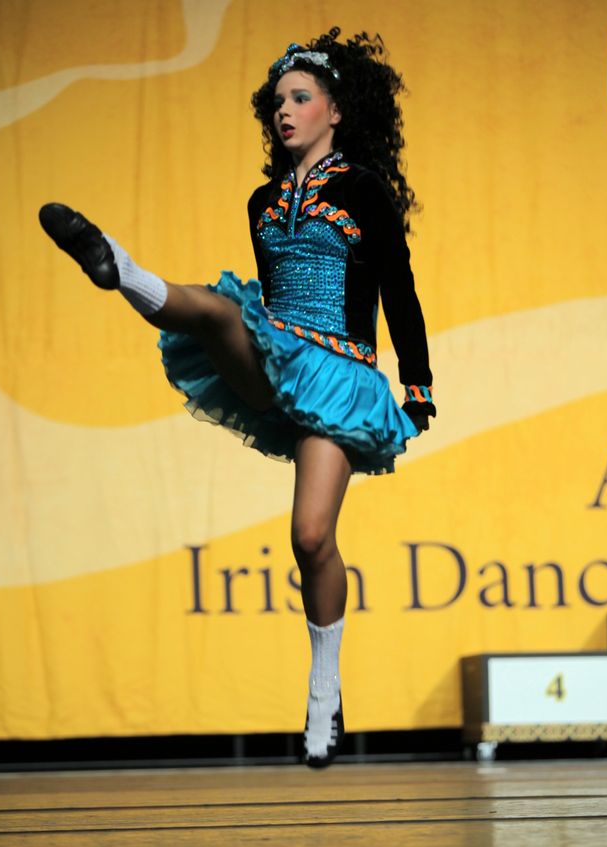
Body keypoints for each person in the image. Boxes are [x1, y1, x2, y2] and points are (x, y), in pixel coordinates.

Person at [38, 27, 436, 769]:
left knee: (310, 538)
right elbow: (272, 296)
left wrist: (417, 384)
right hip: (276, 353)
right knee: (222, 309)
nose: (284, 111)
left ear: (335, 111)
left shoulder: (362, 190)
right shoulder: (263, 202)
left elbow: (398, 288)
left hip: (337, 377)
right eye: (276, 102)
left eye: (299, 98)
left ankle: (324, 691)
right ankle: (118, 265)